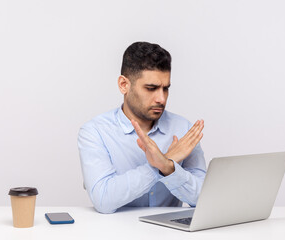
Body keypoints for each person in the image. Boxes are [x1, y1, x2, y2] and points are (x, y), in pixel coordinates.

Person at [78, 42, 206, 214]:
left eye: (165, 88)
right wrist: (162, 164)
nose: (161, 98)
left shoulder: (184, 129)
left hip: (170, 234)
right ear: (124, 85)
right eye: (151, 88)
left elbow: (203, 198)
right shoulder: (95, 132)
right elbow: (103, 200)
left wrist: (168, 167)